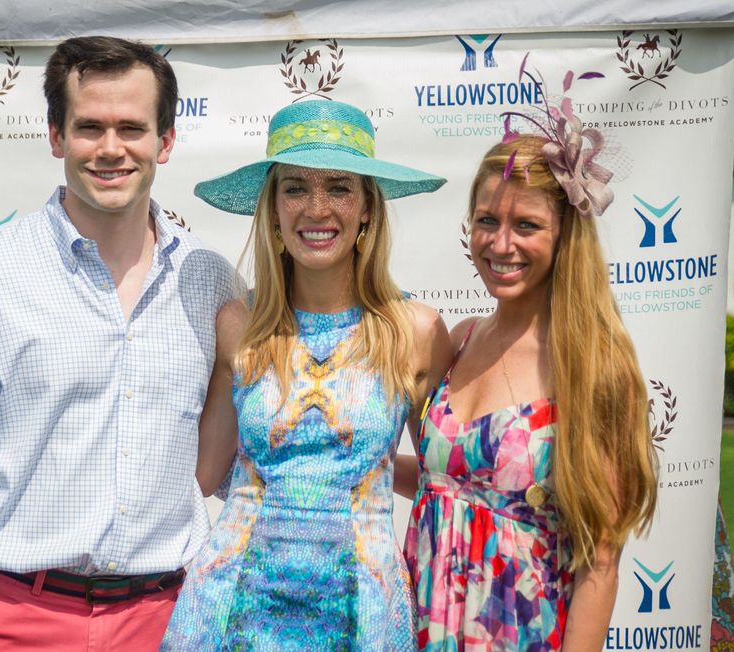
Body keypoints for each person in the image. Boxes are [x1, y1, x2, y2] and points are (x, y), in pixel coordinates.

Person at [0, 36, 236, 651]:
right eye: (89, 127)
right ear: (56, 136)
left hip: (167, 620)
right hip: (3, 616)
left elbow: (221, 464)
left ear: (166, 142)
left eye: (132, 128)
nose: (111, 149)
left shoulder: (214, 284)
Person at [161, 99, 452, 650]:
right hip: (229, 608)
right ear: (272, 208)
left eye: (339, 186)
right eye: (295, 188)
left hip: (362, 611)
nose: (316, 208)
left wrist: (368, 478)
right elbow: (204, 475)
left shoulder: (414, 330)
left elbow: (445, 477)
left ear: (367, 206)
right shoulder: (238, 324)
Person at [399, 131, 658, 649]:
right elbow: (449, 482)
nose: (500, 243)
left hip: (521, 632)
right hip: (418, 624)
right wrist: (348, 465)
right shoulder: (459, 339)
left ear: (565, 234)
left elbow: (600, 564)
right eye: (487, 221)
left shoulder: (592, 369)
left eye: (527, 226)